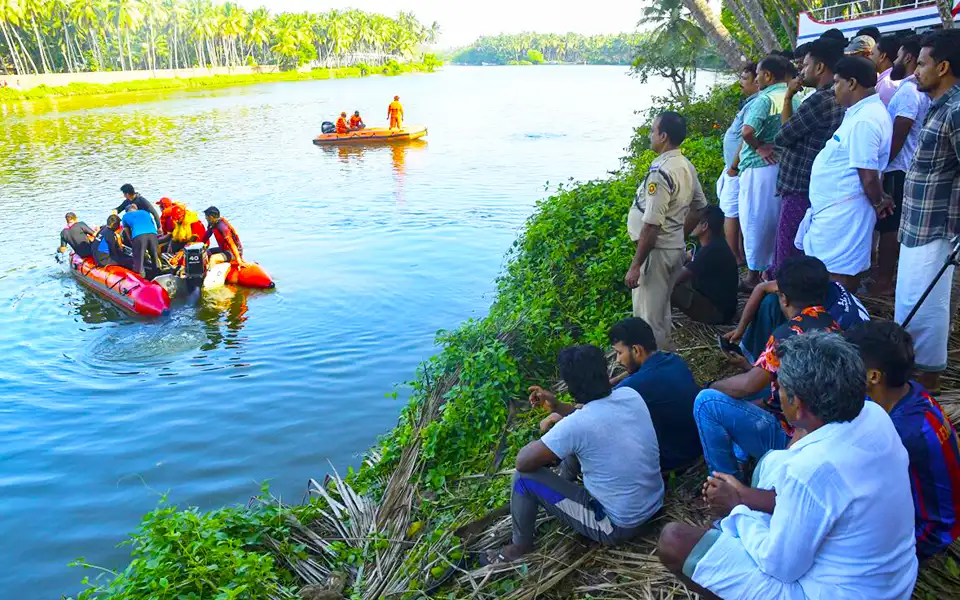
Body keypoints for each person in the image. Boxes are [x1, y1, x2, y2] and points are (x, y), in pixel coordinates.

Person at [661, 331, 918, 600]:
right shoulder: (874, 413)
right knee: (771, 462)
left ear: (797, 403)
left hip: (835, 592)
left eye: (780, 387)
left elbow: (781, 567)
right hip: (893, 582)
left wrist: (737, 508)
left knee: (674, 541)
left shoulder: (811, 470)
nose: (777, 393)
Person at [485, 345, 663, 564]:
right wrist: (557, 406)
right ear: (605, 372)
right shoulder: (629, 395)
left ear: (571, 387)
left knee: (523, 479)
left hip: (618, 525)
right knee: (577, 446)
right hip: (654, 502)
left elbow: (523, 463)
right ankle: (562, 489)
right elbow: (593, 418)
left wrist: (546, 438)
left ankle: (519, 546)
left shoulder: (575, 426)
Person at [694, 256, 839, 478]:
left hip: (794, 439)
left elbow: (748, 386)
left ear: (784, 299)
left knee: (706, 402)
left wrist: (711, 384)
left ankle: (724, 481)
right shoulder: (833, 325)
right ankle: (742, 455)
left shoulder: (787, 335)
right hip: (826, 432)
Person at [846, 321, 960, 560]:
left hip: (929, 533)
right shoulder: (911, 391)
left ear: (874, 376)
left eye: (849, 364)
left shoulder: (897, 433)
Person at [895, 29, 960, 395]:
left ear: (944, 67)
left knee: (928, 307)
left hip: (936, 227)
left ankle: (928, 383)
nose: (914, 70)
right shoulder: (940, 106)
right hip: (916, 224)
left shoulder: (957, 109)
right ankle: (912, 378)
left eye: (921, 64)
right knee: (910, 303)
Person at [797, 56, 894, 291]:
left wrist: (879, 201)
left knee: (838, 275)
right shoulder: (859, 113)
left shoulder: (866, 120)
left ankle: (837, 321)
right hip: (834, 211)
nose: (833, 89)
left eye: (837, 82)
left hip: (844, 213)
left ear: (852, 83)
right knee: (827, 271)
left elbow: (868, 174)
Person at [624, 111, 707, 350]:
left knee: (648, 320)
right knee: (661, 313)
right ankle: (665, 361)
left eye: (652, 131)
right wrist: (678, 235)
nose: (650, 135)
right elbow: (700, 207)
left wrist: (636, 264)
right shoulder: (685, 165)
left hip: (657, 253)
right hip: (673, 249)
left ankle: (655, 371)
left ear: (663, 136)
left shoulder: (661, 173)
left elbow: (651, 224)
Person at [772, 38, 845, 273]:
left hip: (798, 186)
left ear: (820, 67)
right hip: (814, 186)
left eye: (805, 66)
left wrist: (787, 97)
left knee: (787, 253)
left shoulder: (819, 100)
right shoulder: (838, 97)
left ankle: (783, 299)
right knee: (800, 249)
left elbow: (783, 136)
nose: (801, 72)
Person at [873, 35, 931, 295]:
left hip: (897, 167)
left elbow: (901, 131)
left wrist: (881, 165)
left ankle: (883, 282)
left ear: (908, 58)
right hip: (905, 165)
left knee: (889, 226)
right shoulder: (916, 89)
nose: (894, 61)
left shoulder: (909, 91)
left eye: (898, 56)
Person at [724, 262, 868, 362]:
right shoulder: (819, 285)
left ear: (785, 299)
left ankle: (759, 369)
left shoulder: (827, 329)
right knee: (771, 302)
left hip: (837, 373)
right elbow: (762, 287)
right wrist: (740, 329)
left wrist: (751, 372)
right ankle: (752, 355)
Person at [610, 318, 703, 472]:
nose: (618, 360)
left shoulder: (634, 386)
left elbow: (596, 411)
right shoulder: (674, 360)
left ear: (636, 350)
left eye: (619, 353)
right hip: (698, 442)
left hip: (676, 458)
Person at [737, 55, 795, 288]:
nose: (757, 77)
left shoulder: (765, 99)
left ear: (768, 75)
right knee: (773, 220)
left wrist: (758, 146)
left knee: (754, 221)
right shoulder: (792, 96)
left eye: (759, 73)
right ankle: (768, 269)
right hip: (780, 166)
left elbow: (747, 131)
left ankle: (753, 276)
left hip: (758, 169)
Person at [718, 62, 760, 266]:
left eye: (745, 78)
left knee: (731, 212)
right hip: (734, 167)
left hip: (737, 168)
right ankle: (739, 254)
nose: (740, 82)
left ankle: (734, 257)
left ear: (758, 82)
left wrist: (734, 165)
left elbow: (746, 136)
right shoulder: (752, 101)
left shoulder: (756, 103)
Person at [671, 205, 739, 325]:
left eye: (693, 222)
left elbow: (676, 279)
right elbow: (685, 256)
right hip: (719, 305)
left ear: (704, 226)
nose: (689, 224)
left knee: (669, 288)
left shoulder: (711, 251)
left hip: (718, 314)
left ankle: (659, 323)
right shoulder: (713, 244)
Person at [121, 204, 160, 278]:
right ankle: (157, 276)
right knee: (154, 257)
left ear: (126, 211)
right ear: (136, 209)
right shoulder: (145, 212)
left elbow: (127, 231)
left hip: (139, 236)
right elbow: (152, 223)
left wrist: (132, 241)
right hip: (153, 234)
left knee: (139, 260)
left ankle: (142, 279)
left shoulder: (125, 216)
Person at [872, 34, 903, 106]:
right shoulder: (887, 80)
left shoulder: (887, 84)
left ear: (882, 56)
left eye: (872, 54)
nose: (868, 58)